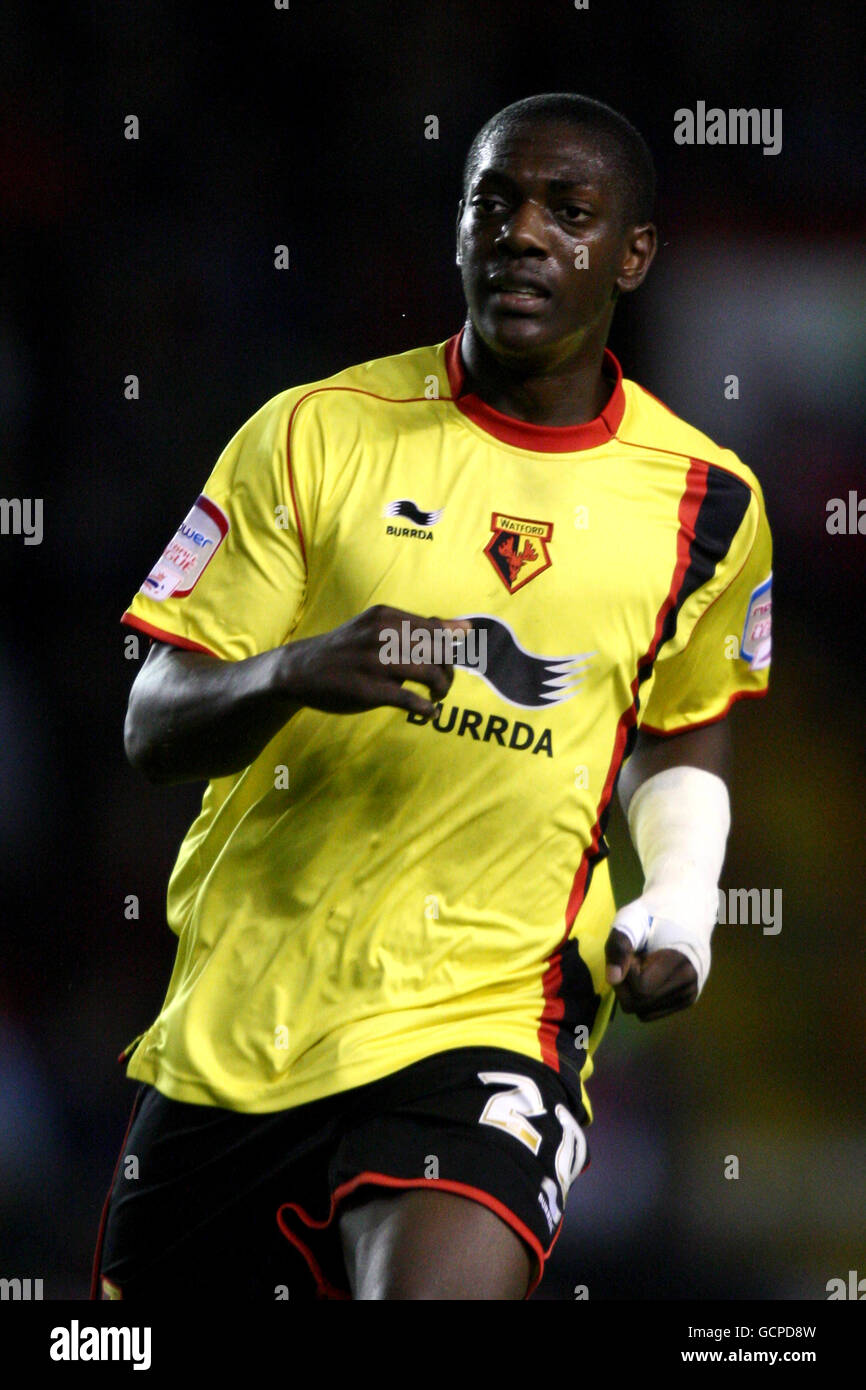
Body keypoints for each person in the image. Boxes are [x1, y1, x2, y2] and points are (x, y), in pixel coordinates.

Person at [94, 92, 772, 1301]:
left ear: (631, 253)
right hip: (243, 1026)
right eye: (492, 202)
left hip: (492, 1017)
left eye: (567, 212)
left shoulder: (707, 503)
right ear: (457, 230)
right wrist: (296, 667)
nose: (520, 233)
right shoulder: (312, 434)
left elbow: (680, 729)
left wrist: (678, 902)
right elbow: (153, 721)